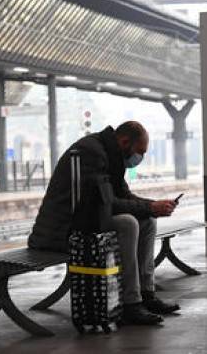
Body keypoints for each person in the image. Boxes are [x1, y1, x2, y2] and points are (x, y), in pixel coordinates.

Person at [29, 121, 180, 325]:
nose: (140, 158)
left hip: (86, 219)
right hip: (63, 230)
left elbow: (122, 195)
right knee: (128, 223)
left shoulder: (112, 153)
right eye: (140, 152)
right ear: (125, 141)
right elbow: (107, 203)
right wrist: (150, 207)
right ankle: (130, 304)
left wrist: (153, 206)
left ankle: (146, 295)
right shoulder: (90, 152)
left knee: (147, 222)